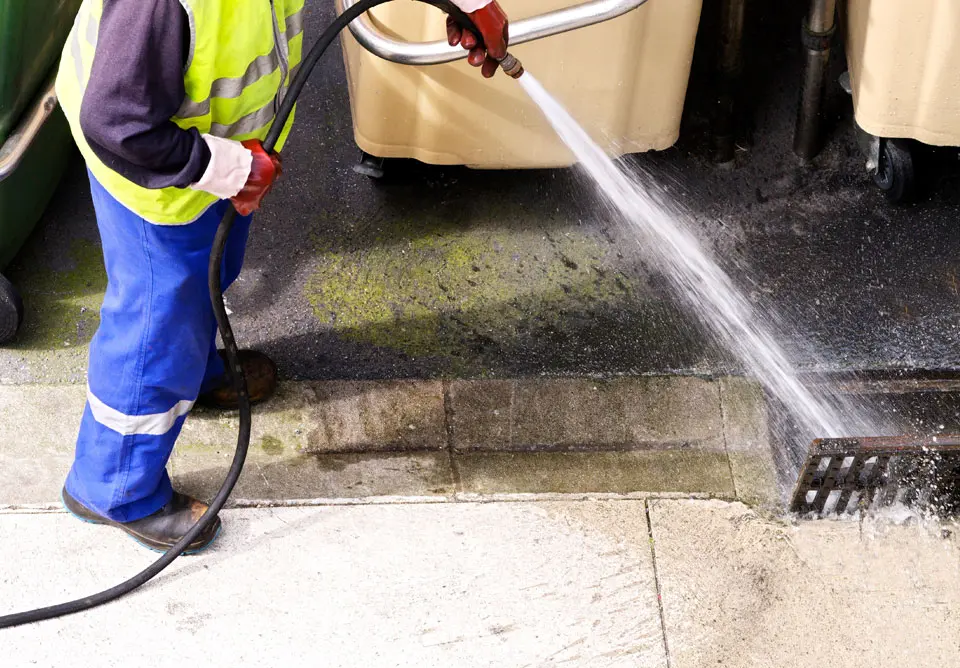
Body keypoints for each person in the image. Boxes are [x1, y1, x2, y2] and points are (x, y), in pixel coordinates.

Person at [55, 0, 511, 553]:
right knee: (157, 324)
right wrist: (225, 168)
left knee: (209, 277)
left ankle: (191, 374)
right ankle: (113, 485)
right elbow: (117, 121)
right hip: (156, 180)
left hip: (213, 155)